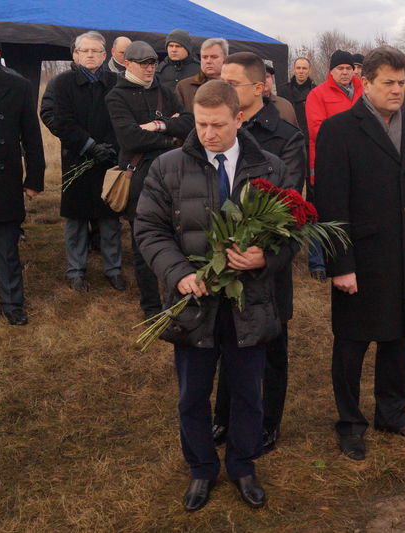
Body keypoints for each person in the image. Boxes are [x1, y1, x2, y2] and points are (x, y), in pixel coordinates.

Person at [135, 80, 294, 512]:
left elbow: (293, 233)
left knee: (246, 390)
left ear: (238, 118)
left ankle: (243, 465)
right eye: (202, 124)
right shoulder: (167, 167)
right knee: (192, 393)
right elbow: (148, 230)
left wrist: (264, 257)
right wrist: (179, 272)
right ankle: (202, 469)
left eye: (218, 125)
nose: (208, 134)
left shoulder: (270, 168)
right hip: (194, 303)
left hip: (250, 302)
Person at [314, 46, 405, 460]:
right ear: (364, 83)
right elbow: (330, 203)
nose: (397, 90)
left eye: (401, 82)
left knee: (399, 339)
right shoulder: (339, 130)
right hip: (361, 257)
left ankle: (393, 413)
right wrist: (340, 264)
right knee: (352, 344)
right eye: (387, 82)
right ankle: (350, 423)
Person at [212, 51, 306, 453]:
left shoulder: (286, 138)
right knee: (226, 342)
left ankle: (268, 422)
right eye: (221, 81)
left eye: (232, 84)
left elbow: (286, 205)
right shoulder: (217, 129)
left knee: (270, 345)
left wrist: (259, 251)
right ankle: (224, 417)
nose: (224, 89)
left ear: (259, 88)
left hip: (264, 263)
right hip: (223, 258)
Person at [106, 40, 194, 318]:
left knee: (179, 238)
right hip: (139, 178)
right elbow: (130, 138)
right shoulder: (116, 96)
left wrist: (159, 125)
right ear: (127, 63)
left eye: (153, 63)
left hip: (173, 176)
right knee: (143, 245)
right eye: (143, 63)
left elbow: (190, 124)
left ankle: (179, 298)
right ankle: (151, 309)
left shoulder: (164, 91)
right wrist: (171, 136)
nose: (149, 68)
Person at [52, 31, 125, 292]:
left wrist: (111, 147)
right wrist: (89, 145)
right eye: (85, 51)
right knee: (76, 219)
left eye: (96, 51)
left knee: (109, 218)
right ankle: (75, 270)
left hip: (110, 160)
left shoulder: (118, 82)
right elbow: (58, 119)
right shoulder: (62, 83)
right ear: (76, 55)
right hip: (77, 159)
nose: (91, 55)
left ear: (105, 55)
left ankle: (113, 269)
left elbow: (123, 118)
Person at [305, 50, 363, 281]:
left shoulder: (363, 92)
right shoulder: (318, 94)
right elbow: (316, 129)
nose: (345, 72)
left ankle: (350, 258)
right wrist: (349, 142)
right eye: (340, 69)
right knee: (321, 211)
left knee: (354, 209)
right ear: (331, 71)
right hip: (326, 161)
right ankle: (318, 261)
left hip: (360, 162)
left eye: (349, 68)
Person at [0, 58, 45, 326]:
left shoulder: (18, 86)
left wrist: (34, 177)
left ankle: (12, 302)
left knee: (6, 248)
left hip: (4, 179)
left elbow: (31, 135)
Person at [175, 38, 228, 111]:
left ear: (225, 59)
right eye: (205, 57)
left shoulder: (237, 85)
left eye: (214, 57)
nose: (208, 61)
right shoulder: (184, 87)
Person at [277, 57, 316, 144]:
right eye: (298, 68)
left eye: (304, 68)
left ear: (309, 71)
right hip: (289, 136)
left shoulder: (316, 91)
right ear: (294, 69)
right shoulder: (283, 90)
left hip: (309, 138)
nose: (301, 71)